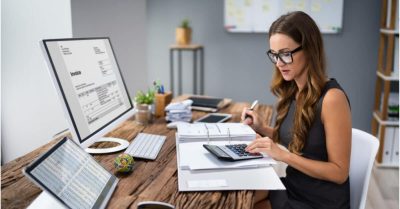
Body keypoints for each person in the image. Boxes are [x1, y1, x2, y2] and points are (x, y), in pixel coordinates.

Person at [241, 11, 352, 209]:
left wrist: (284, 155)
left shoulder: (332, 99)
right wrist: (263, 128)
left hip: (320, 201)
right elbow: (301, 140)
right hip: (294, 186)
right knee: (238, 198)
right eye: (274, 55)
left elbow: (339, 172)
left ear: (309, 49)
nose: (279, 63)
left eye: (285, 53)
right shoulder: (295, 89)